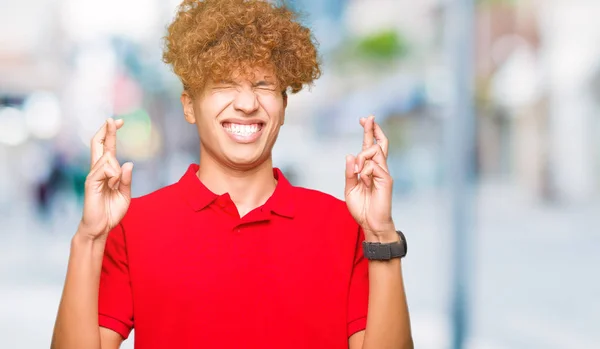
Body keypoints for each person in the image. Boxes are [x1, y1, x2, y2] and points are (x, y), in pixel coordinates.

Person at [51, 0, 413, 348]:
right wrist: (89, 238)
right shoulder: (134, 226)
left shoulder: (345, 225)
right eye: (224, 83)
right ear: (189, 106)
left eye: (263, 85)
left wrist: (381, 233)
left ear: (284, 106)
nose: (246, 103)